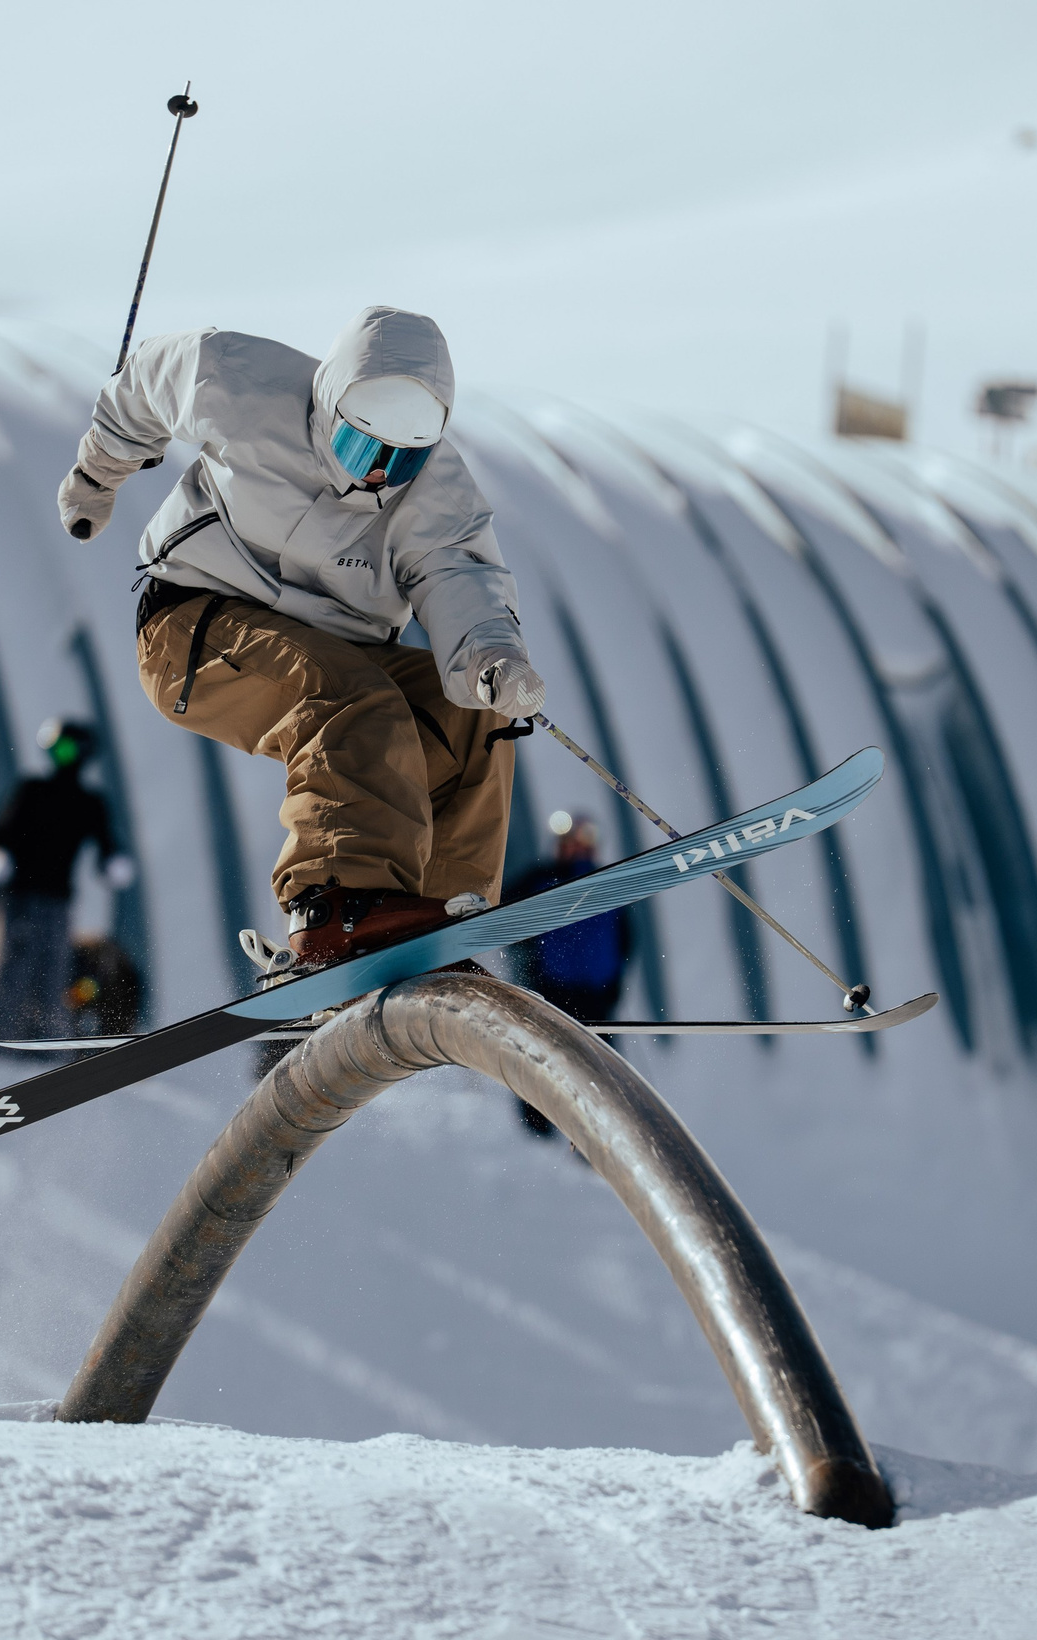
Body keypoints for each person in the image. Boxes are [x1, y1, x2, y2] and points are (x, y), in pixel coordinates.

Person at [58, 305, 546, 973]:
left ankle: (435, 923)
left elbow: (458, 573)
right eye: (360, 448)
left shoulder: (435, 492)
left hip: (335, 648)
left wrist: (491, 657)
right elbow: (145, 382)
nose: (374, 474)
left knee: (467, 715)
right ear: (330, 407)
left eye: (399, 460)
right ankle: (334, 906)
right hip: (192, 625)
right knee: (352, 695)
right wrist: (97, 474)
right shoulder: (243, 384)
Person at [0, 718, 136, 1050]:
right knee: (6, 972)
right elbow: (1, 831)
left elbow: (106, 842)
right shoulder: (33, 791)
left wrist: (112, 862)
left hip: (57, 902)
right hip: (18, 899)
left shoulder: (89, 803)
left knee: (52, 975)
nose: (66, 756)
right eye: (59, 748)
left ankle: (46, 1048)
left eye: (72, 748)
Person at [503, 811, 634, 1135]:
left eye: (582, 841)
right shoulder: (541, 880)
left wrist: (615, 983)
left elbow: (626, 939)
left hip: (596, 995)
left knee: (599, 1066)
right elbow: (505, 916)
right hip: (554, 990)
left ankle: (597, 1133)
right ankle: (538, 1122)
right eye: (569, 841)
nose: (575, 847)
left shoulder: (607, 883)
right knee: (545, 1055)